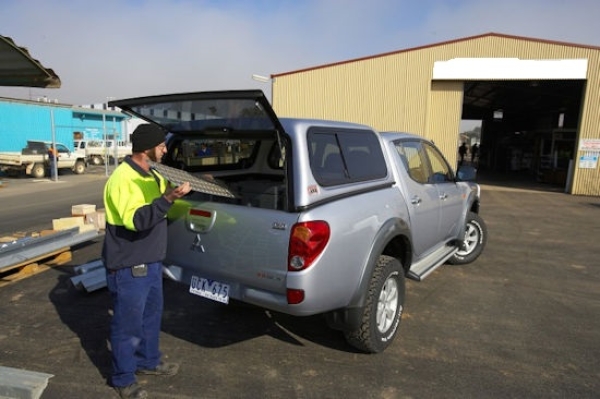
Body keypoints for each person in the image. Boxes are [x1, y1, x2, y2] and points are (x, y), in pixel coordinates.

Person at [102, 123, 191, 399]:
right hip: (129, 264)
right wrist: (168, 198)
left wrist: (198, 188)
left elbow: (168, 201)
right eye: (162, 145)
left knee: (151, 317)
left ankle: (148, 362)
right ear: (148, 148)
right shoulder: (122, 179)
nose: (165, 149)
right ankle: (123, 378)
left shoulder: (151, 173)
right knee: (127, 324)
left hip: (151, 261)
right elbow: (137, 220)